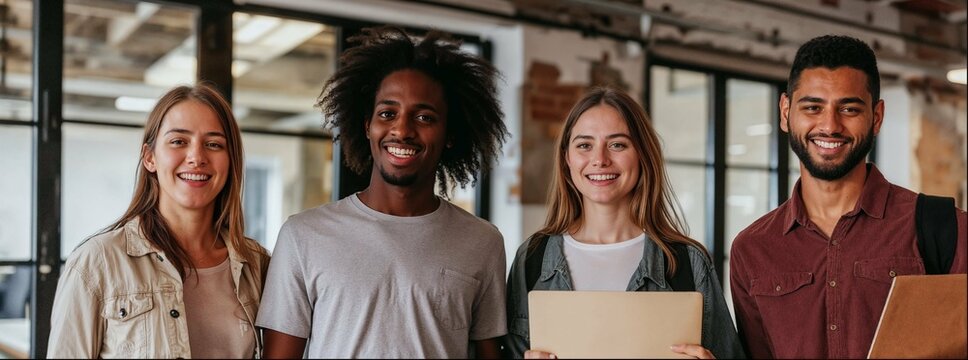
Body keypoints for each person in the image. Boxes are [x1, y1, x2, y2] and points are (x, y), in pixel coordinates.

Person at [255, 26, 510, 358]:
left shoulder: (483, 242)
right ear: (367, 126)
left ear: (450, 133)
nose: (402, 130)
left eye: (424, 117)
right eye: (387, 113)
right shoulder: (303, 236)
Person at [729, 34, 968, 359]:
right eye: (813, 107)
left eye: (849, 108)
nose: (830, 125)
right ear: (785, 112)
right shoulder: (752, 249)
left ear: (877, 117)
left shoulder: (945, 228)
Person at [505, 87, 745, 359]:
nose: (600, 159)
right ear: (566, 159)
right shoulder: (532, 258)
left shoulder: (688, 263)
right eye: (584, 145)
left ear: (642, 155)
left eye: (617, 144)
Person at [47, 83, 270, 358]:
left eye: (213, 144)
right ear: (150, 157)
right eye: (178, 142)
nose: (197, 157)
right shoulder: (96, 262)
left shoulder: (258, 265)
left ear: (231, 161)